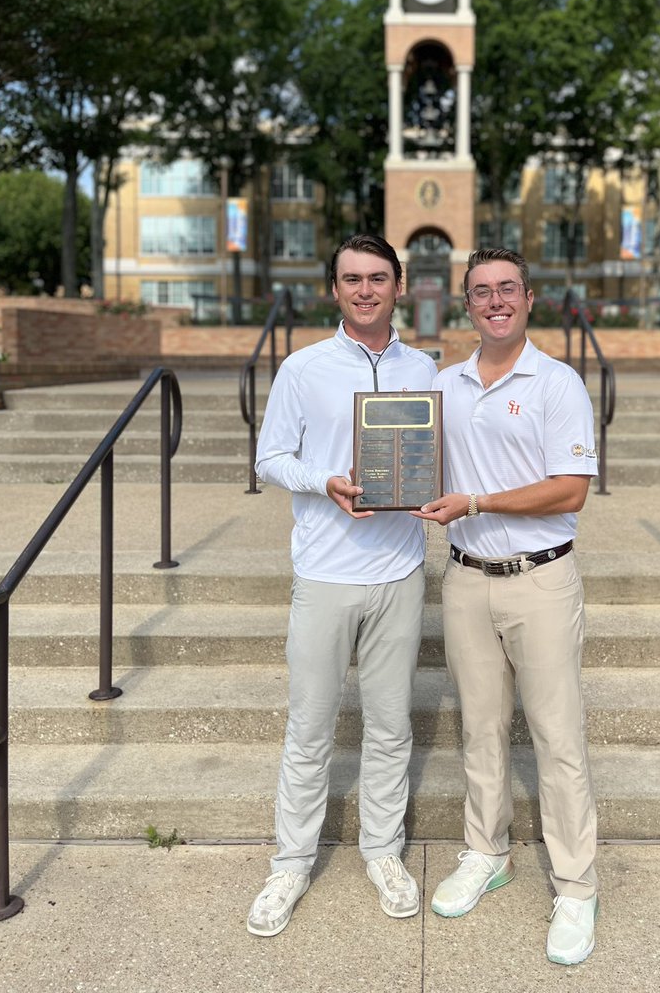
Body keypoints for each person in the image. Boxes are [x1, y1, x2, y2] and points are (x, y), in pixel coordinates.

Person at [247, 234, 438, 937]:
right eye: (352, 279)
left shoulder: (425, 367)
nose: (365, 290)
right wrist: (321, 482)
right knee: (309, 729)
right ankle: (291, 863)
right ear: (335, 289)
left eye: (378, 278)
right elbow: (271, 457)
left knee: (389, 730)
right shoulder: (303, 369)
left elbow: (440, 453)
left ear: (398, 285)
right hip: (325, 573)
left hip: (398, 573)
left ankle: (384, 853)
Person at [413, 247, 600, 966]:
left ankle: (577, 888)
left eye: (507, 289)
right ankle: (486, 852)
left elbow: (570, 488)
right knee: (481, 730)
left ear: (529, 299)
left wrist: (478, 500)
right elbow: (411, 459)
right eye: (481, 292)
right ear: (467, 305)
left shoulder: (557, 383)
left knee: (557, 739)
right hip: (465, 577)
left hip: (540, 581)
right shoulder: (444, 384)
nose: (495, 301)